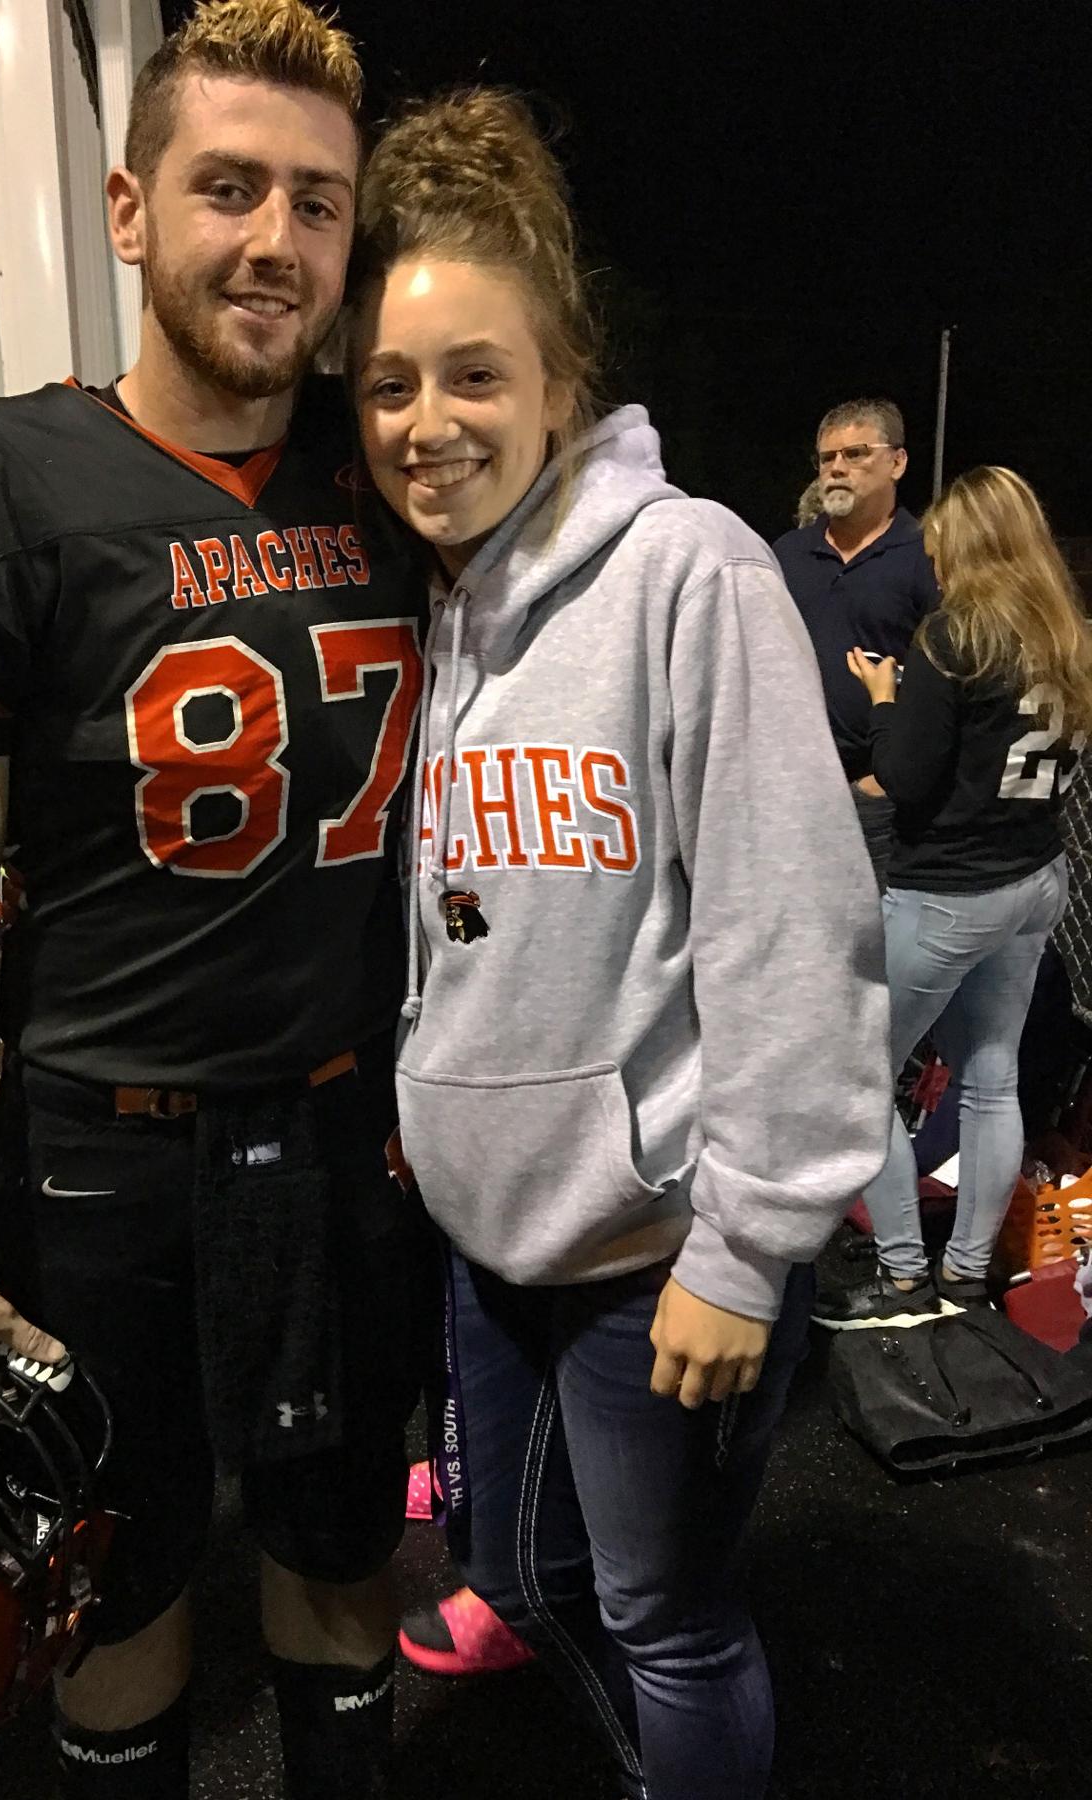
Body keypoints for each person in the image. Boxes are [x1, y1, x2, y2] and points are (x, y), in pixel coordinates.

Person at [0, 5, 429, 1797]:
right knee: (114, 1588)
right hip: (104, 1156)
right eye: (230, 188)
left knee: (338, 1561)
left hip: (347, 1135)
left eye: (316, 202)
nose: (275, 239)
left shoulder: (396, 471)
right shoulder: (0, 490)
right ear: (128, 211)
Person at [349, 90, 888, 1800]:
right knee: (522, 1576)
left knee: (672, 1619)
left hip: (653, 1246)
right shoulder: (442, 601)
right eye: (389, 384)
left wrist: (750, 1246)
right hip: (491, 1239)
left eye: (473, 374)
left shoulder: (689, 572)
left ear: (563, 379)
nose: (427, 422)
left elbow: (793, 927)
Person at [813, 467, 1089, 1327]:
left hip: (948, 895)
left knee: (860, 1079)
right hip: (1034, 877)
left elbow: (901, 777)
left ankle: (903, 1277)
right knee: (992, 1077)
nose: (931, 559)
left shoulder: (954, 638)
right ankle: (966, 1274)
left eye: (939, 546)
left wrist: (885, 700)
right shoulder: (1063, 633)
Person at [773, 398, 940, 888]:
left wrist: (881, 779)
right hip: (789, 784)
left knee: (874, 927)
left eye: (856, 454)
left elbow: (943, 685)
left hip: (875, 793)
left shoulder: (927, 556)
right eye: (827, 458)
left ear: (897, 462)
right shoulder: (787, 554)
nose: (837, 469)